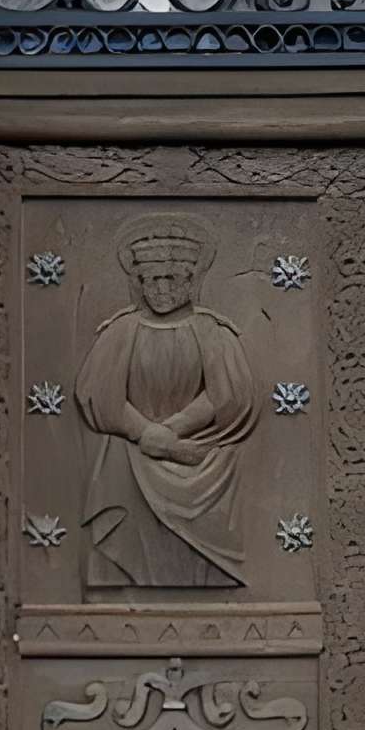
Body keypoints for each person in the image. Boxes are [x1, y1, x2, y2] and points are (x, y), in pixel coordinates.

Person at [75, 216, 256, 587]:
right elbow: (99, 394)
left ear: (190, 281)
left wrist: (171, 433)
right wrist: (144, 433)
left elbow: (229, 395)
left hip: (199, 460)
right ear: (140, 283)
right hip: (128, 462)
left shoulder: (213, 332)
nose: (160, 289)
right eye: (152, 280)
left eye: (170, 279)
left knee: (197, 566)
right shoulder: (120, 331)